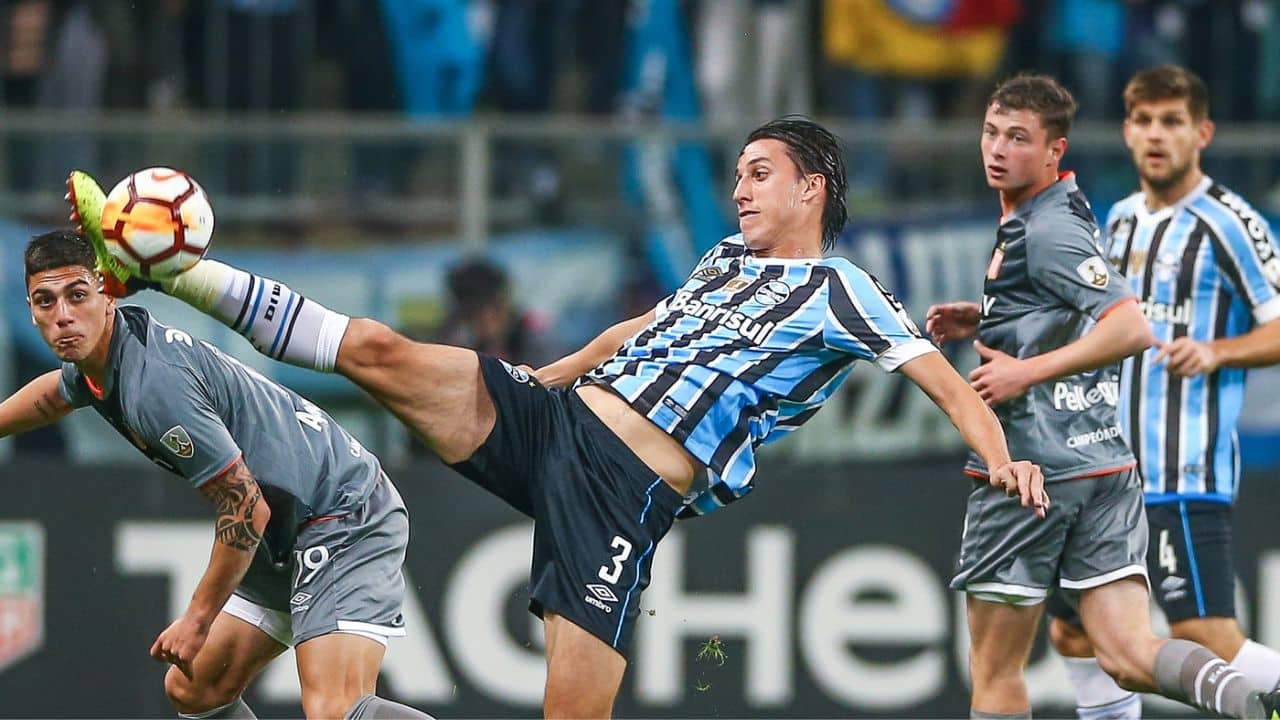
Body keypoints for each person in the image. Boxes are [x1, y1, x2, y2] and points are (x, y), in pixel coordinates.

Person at [70, 118, 1050, 718]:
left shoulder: (846, 290)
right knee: (376, 348)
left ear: (811, 186)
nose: (741, 186)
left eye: (758, 171)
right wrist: (562, 367)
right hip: (557, 421)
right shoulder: (723, 259)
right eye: (741, 171)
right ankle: (171, 268)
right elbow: (653, 320)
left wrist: (1000, 457)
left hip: (618, 497)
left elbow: (943, 380)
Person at [924, 73, 1280, 719]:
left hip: (1054, 467)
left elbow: (1126, 325)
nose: (997, 150)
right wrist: (991, 319)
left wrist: (1023, 373)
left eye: (1018, 138)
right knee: (1107, 646)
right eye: (991, 133)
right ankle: (1244, 701)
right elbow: (1074, 303)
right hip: (1110, 460)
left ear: (1055, 150)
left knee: (999, 673)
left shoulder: (1212, 221)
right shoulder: (1100, 215)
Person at [1, 229, 431, 720]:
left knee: (334, 709)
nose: (62, 316)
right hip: (285, 528)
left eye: (77, 295)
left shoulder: (155, 388)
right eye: (44, 301)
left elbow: (245, 507)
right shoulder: (103, 356)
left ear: (107, 296)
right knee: (196, 689)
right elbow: (56, 393)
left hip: (341, 511)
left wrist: (198, 618)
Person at [1042, 65, 1280, 720]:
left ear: (1202, 133)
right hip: (1106, 473)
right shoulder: (1117, 221)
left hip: (1183, 471)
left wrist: (1218, 350)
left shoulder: (1229, 222)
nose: (1156, 135)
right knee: (1073, 630)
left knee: (1206, 638)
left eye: (1172, 122)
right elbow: (1089, 316)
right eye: (1144, 120)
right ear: (1126, 130)